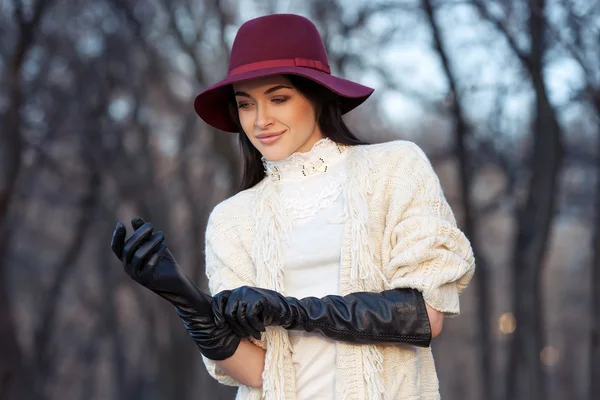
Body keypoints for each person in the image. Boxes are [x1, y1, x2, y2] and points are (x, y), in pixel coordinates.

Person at [111, 13, 475, 400]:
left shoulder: (395, 168)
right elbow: (255, 371)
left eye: (278, 98)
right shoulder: (232, 219)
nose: (261, 120)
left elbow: (424, 315)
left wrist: (289, 311)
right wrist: (188, 303)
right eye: (246, 105)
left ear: (317, 96)